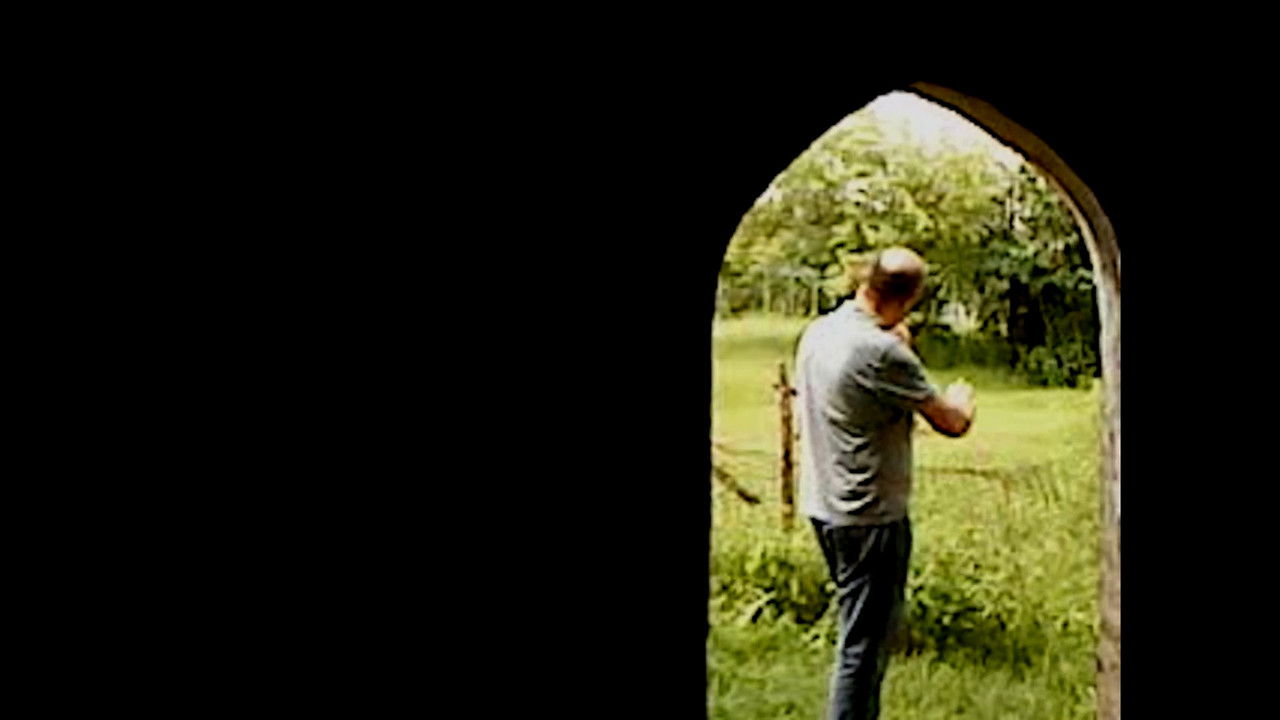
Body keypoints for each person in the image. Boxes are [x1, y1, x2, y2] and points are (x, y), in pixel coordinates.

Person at [795, 247, 975, 720]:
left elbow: (879, 388)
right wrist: (962, 397)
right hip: (870, 517)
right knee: (864, 650)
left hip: (825, 503)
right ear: (911, 297)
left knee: (859, 635)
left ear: (865, 279)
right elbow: (952, 423)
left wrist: (901, 343)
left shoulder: (822, 331)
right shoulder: (882, 352)